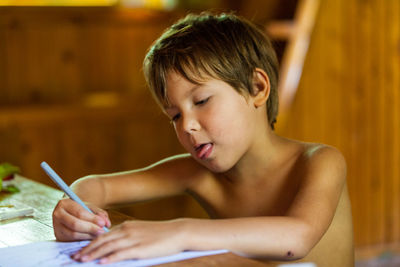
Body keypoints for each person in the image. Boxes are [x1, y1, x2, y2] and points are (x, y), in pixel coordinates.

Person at [52, 12, 354, 266]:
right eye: (174, 116)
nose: (188, 126)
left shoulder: (320, 161)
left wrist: (179, 233)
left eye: (201, 101)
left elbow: (296, 239)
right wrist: (74, 207)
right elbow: (97, 185)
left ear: (257, 87)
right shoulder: (196, 172)